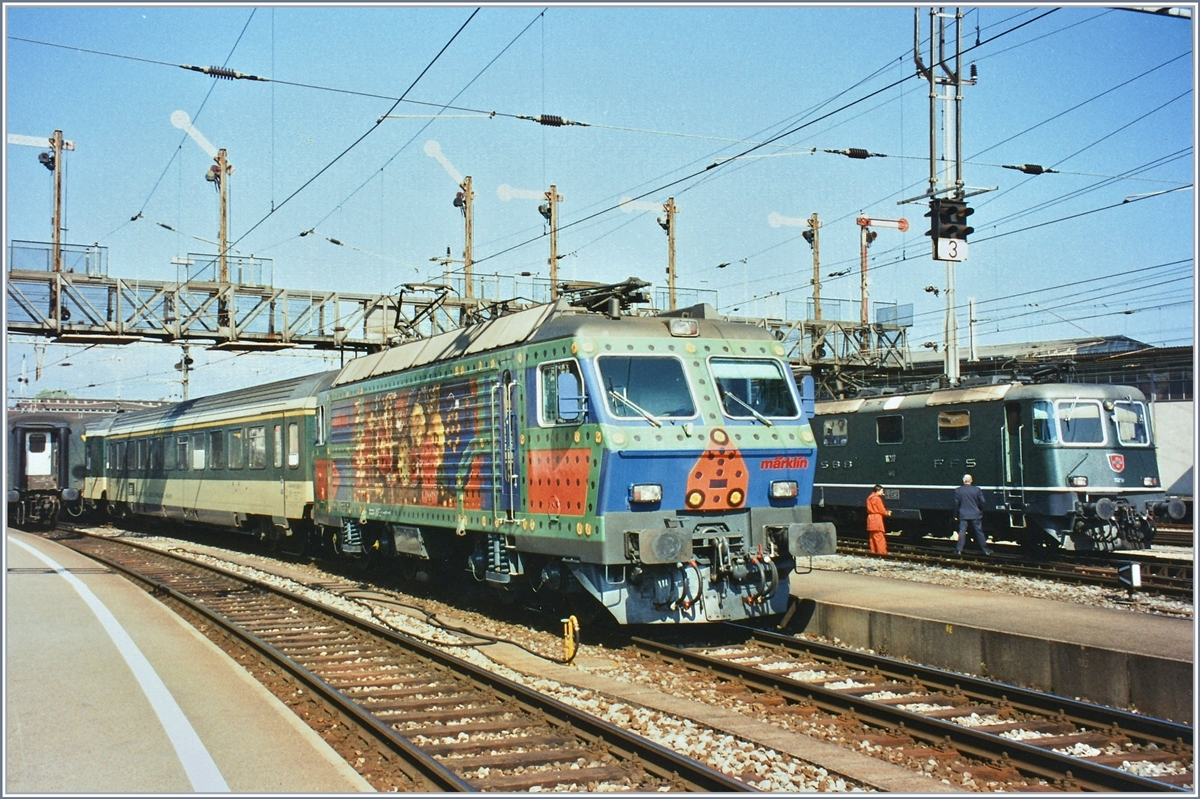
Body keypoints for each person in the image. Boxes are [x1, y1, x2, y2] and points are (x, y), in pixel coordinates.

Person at [954, 473, 992, 555]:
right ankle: (985, 550)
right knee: (979, 532)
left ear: (963, 481)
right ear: (971, 481)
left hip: (963, 514)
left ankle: (959, 550)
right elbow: (983, 502)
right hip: (975, 514)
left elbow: (956, 505)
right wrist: (980, 510)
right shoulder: (977, 490)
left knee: (962, 532)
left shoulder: (958, 490)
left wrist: (956, 515)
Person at [866, 484, 892, 554]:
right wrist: (887, 513)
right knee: (879, 537)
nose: (883, 492)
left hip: (870, 518)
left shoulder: (869, 498)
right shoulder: (877, 499)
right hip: (877, 518)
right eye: (882, 490)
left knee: (872, 537)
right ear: (878, 491)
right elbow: (881, 510)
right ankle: (882, 552)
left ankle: (873, 551)